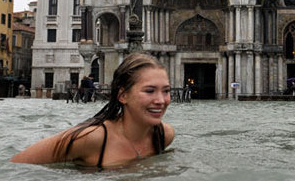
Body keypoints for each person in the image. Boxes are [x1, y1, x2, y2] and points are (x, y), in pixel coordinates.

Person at [12, 53, 176, 168]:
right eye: (149, 91)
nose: (161, 100)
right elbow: (18, 165)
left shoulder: (164, 135)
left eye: (166, 91)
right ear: (123, 95)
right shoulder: (92, 137)